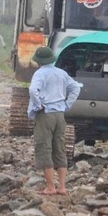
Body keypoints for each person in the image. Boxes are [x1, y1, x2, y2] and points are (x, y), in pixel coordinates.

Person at [27, 46, 81, 195]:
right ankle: (62, 187)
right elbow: (76, 88)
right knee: (59, 147)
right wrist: (67, 105)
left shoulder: (40, 74)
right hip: (59, 114)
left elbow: (32, 90)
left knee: (44, 147)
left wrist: (38, 105)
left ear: (38, 61)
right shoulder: (61, 73)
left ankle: (50, 187)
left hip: (46, 114)